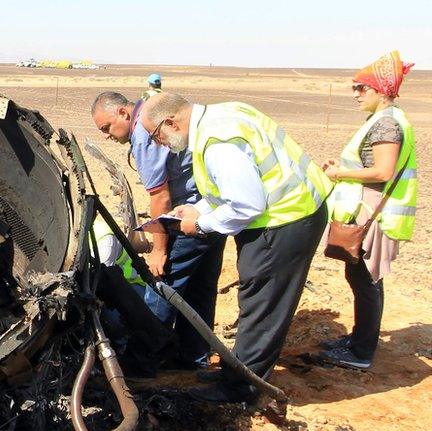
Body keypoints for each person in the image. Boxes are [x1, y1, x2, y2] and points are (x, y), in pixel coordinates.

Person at [140, 92, 333, 402]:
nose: (158, 144)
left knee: (262, 303)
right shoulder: (223, 115)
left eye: (156, 135)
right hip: (292, 211)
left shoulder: (217, 143)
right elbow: (230, 188)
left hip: (284, 220)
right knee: (259, 300)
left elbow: (246, 203)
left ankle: (242, 389)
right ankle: (239, 373)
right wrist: (198, 209)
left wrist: (200, 225)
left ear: (171, 122)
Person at [91, 92, 226, 370]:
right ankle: (194, 355)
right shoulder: (149, 123)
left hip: (184, 217)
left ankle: (145, 360)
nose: (107, 136)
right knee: (200, 288)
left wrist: (159, 250)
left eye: (107, 128)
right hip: (211, 211)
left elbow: (160, 197)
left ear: (123, 114)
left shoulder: (143, 131)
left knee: (162, 286)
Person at [318, 51, 417, 370]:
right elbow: (370, 165)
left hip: (375, 213)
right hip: (370, 208)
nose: (355, 94)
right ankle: (359, 339)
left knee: (366, 279)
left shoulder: (387, 123)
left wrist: (340, 174)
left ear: (381, 90)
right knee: (360, 276)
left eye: (362, 88)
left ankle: (361, 352)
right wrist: (344, 165)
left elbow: (383, 171)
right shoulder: (383, 120)